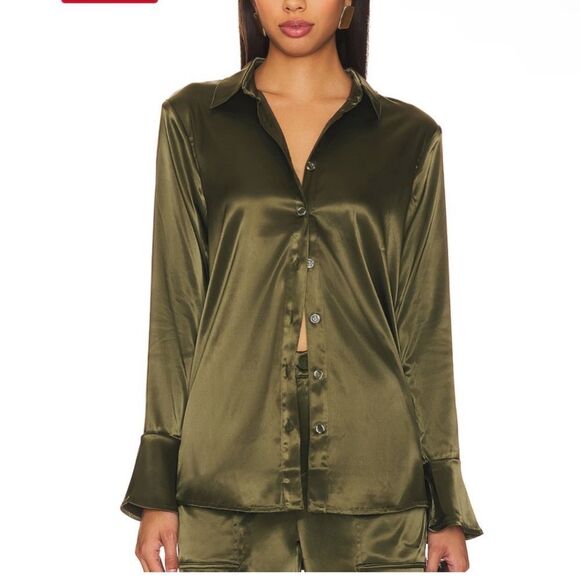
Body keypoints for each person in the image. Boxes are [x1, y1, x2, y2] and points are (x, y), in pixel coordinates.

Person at [120, 0, 484, 572]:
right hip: (224, 484)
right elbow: (175, 310)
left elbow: (424, 330)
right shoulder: (193, 121)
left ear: (349, 4)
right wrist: (158, 489)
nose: (294, 3)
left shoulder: (411, 139)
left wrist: (446, 505)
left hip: (375, 489)